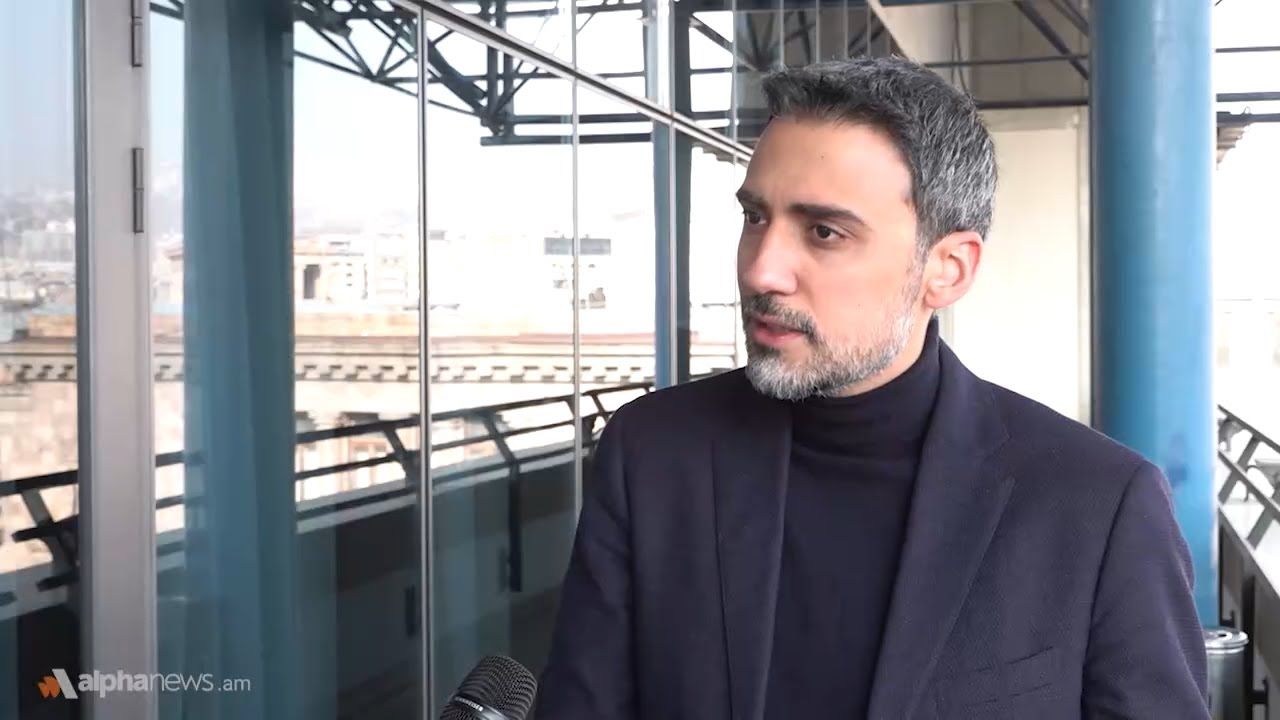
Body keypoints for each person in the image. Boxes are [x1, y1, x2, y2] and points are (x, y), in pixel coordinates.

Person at [534, 57, 1209, 719]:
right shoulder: (653, 453)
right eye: (755, 217)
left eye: (824, 232)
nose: (762, 270)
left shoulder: (1096, 503)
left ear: (947, 269)